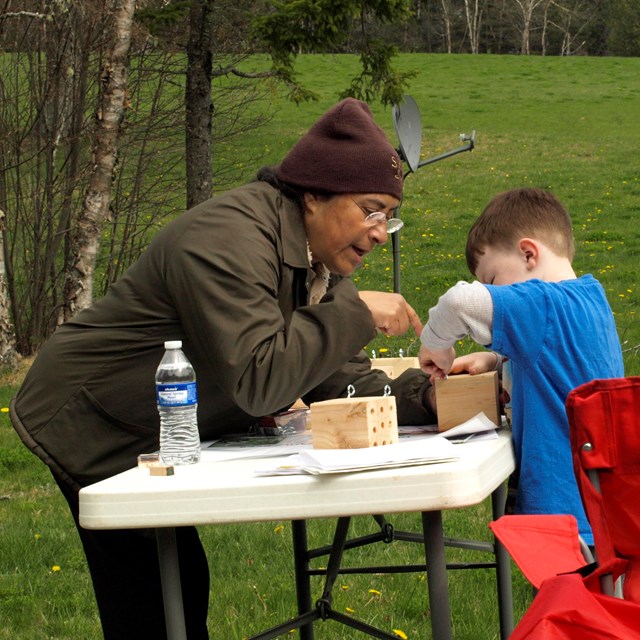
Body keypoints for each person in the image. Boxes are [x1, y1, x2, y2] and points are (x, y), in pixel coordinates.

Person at [10, 98, 437, 639]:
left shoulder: (314, 261)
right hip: (93, 418)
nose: (381, 232)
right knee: (157, 598)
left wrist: (430, 397)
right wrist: (354, 314)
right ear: (314, 194)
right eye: (370, 210)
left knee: (180, 588)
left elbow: (335, 375)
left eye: (388, 217)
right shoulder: (227, 240)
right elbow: (260, 380)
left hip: (155, 422)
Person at [418, 187, 624, 546]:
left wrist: (435, 346)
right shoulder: (591, 299)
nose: (494, 292)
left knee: (563, 602)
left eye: (493, 280)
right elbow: (560, 363)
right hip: (600, 507)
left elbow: (459, 302)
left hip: (564, 514)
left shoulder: (542, 304)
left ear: (529, 254)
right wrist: (497, 360)